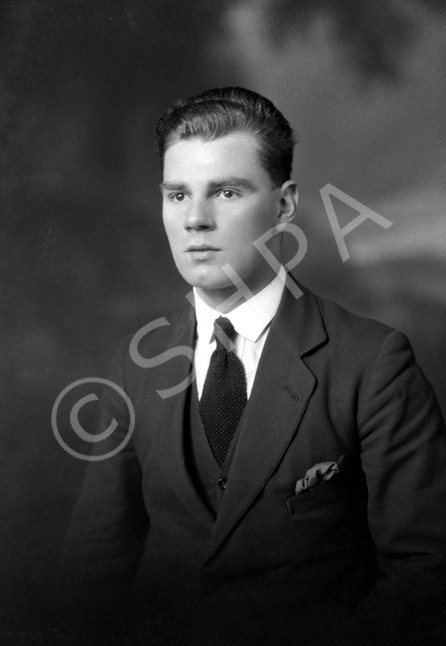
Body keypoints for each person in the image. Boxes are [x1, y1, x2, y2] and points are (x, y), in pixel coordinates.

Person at [61, 87, 446, 645]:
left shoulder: (374, 362)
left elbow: (426, 576)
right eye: (177, 195)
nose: (195, 219)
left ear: (284, 205)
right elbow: (92, 570)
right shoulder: (134, 366)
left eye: (227, 192)